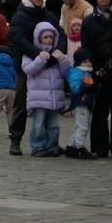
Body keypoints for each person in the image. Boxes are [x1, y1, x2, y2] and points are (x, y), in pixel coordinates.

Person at [8, 0, 62, 156]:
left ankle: (50, 143)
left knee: (49, 105)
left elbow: (60, 35)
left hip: (49, 66)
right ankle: (15, 140)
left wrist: (53, 55)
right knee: (21, 103)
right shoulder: (20, 16)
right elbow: (19, 39)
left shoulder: (49, 15)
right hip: (27, 67)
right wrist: (39, 54)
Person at [80, 0, 112, 158]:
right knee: (100, 109)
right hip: (99, 68)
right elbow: (86, 46)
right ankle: (99, 147)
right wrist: (91, 68)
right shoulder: (89, 21)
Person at [21, 21, 71, 157]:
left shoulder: (57, 53)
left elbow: (66, 73)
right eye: (45, 37)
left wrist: (63, 60)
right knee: (39, 124)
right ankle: (38, 146)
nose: (49, 40)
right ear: (39, 38)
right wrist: (40, 59)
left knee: (53, 125)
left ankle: (52, 146)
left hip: (55, 97)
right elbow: (28, 70)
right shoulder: (31, 54)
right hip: (39, 98)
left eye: (51, 37)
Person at [66, 51, 98, 160]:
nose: (88, 63)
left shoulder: (86, 73)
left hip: (86, 104)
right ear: (79, 62)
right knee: (82, 127)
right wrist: (90, 87)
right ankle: (80, 148)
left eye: (89, 61)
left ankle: (71, 147)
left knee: (82, 126)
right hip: (80, 104)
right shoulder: (76, 72)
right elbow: (75, 88)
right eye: (85, 61)